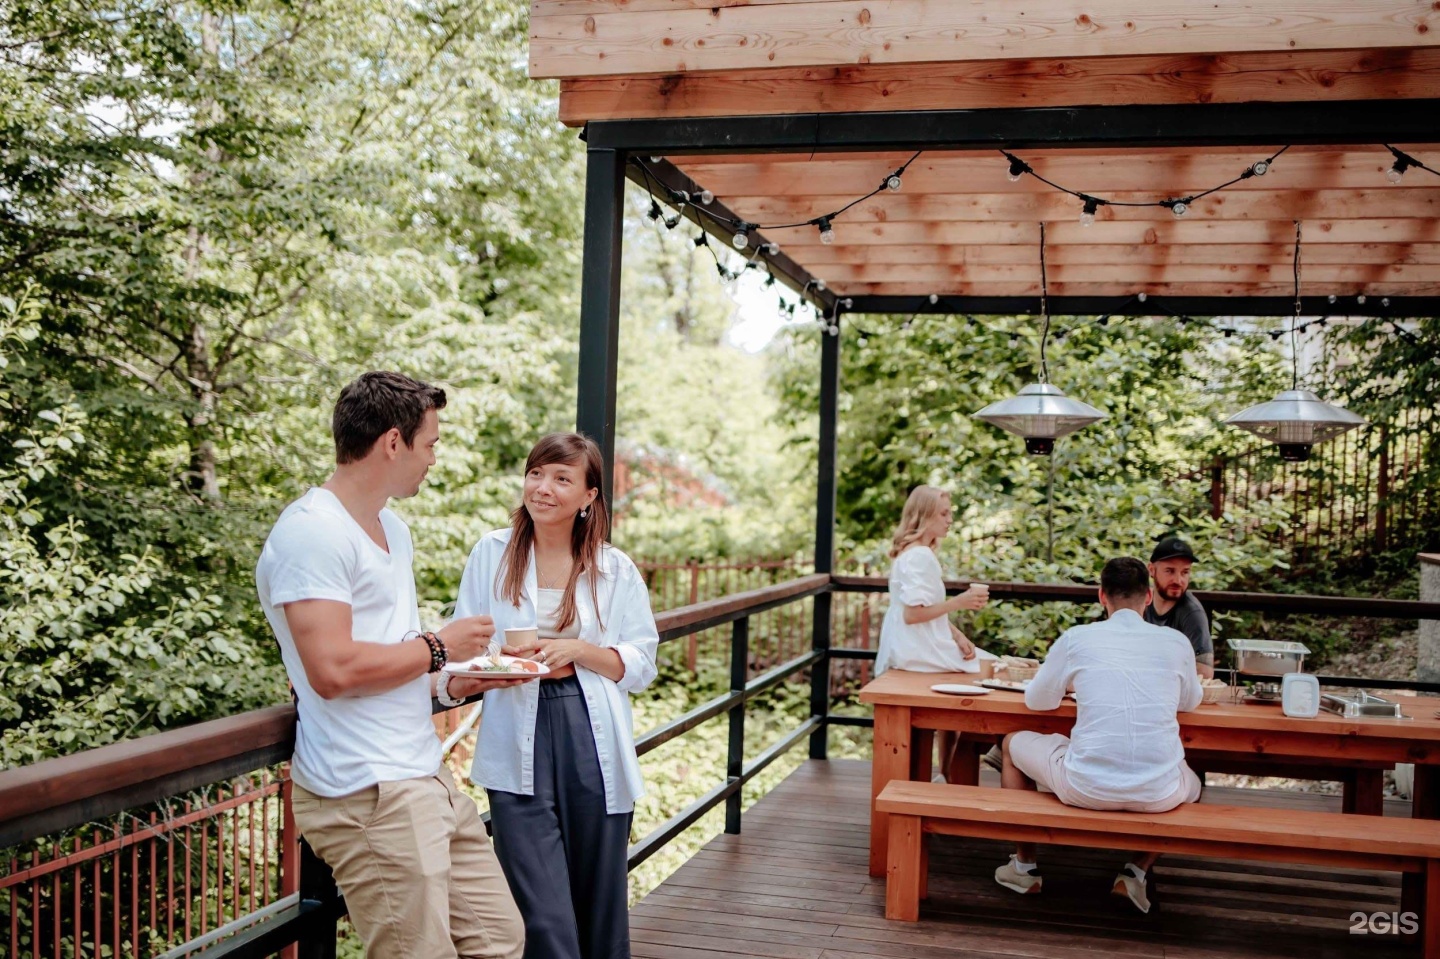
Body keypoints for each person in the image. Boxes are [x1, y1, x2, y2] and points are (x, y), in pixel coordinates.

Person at [255, 371, 526, 959]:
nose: (434, 458)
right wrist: (439, 646)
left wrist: (457, 680)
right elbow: (332, 670)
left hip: (423, 774)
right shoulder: (311, 534)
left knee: (499, 939)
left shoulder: (392, 529)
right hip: (365, 790)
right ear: (393, 442)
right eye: (430, 443)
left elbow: (390, 652)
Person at [454, 432, 659, 959]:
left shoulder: (614, 568)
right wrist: (492, 665)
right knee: (540, 912)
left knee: (599, 901)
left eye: (562, 478)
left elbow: (640, 663)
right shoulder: (492, 552)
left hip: (590, 732)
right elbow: (466, 638)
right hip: (514, 726)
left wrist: (579, 650)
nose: (543, 488)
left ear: (589, 496)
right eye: (536, 473)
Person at [994, 557, 1204, 915]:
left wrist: (1076, 683)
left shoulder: (1078, 638)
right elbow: (1191, 700)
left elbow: (1037, 700)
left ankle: (1024, 866)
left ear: (1101, 596)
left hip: (1084, 784)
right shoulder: (1176, 642)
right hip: (1159, 791)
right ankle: (1136, 871)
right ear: (1149, 596)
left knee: (1011, 743)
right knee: (1195, 783)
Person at [876, 485, 992, 782]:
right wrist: (960, 602)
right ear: (925, 515)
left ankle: (947, 773)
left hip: (912, 645)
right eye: (944, 513)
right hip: (918, 651)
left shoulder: (916, 552)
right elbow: (912, 614)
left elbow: (919, 607)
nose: (950, 519)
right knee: (994, 671)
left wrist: (955, 633)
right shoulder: (919, 557)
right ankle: (955, 773)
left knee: (982, 669)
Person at [1144, 536, 1215, 679]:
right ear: (1151, 570)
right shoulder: (1141, 603)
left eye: (1185, 572)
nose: (1178, 580)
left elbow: (1205, 673)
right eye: (1170, 571)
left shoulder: (1192, 612)